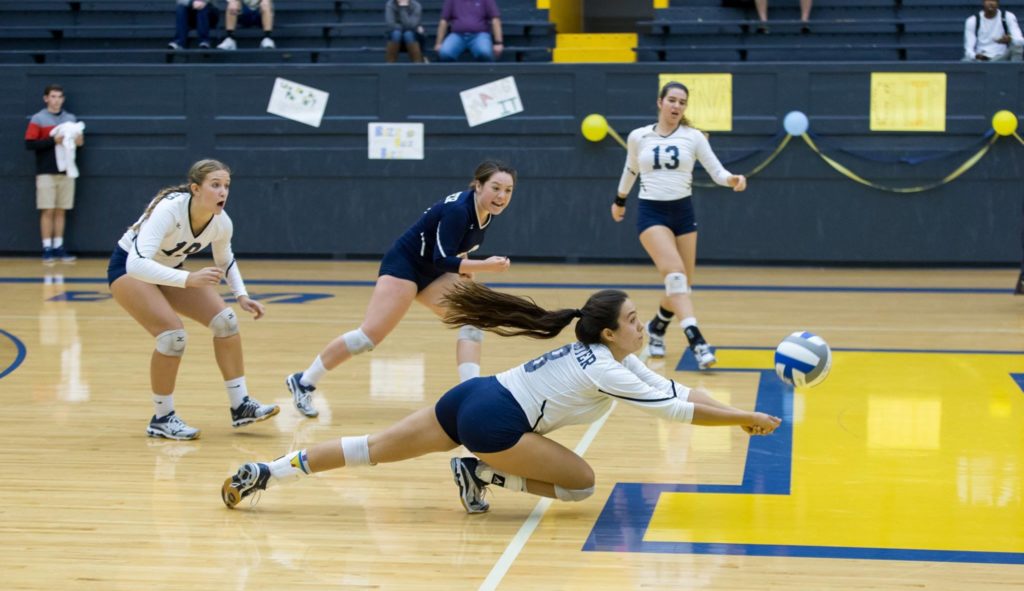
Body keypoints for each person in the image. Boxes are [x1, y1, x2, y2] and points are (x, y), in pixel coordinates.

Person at [221, 283, 782, 513]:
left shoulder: (612, 356)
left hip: (474, 394)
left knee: (370, 448)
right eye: (634, 320)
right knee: (580, 485)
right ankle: (481, 472)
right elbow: (680, 411)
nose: (641, 326)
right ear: (611, 332)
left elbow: (680, 389)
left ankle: (267, 472)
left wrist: (739, 415)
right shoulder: (612, 371)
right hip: (494, 422)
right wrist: (743, 418)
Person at [281, 160, 515, 419]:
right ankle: (304, 381)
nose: (501, 196)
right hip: (405, 266)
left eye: (508, 190)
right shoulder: (459, 210)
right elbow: (441, 258)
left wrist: (465, 264)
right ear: (478, 186)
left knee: (473, 319)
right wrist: (484, 265)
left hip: (432, 271)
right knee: (367, 338)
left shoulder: (485, 211)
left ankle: (468, 396)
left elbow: (452, 244)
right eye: (495, 188)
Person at [107, 159, 279, 440]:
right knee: (172, 337)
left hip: (169, 270)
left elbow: (225, 260)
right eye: (215, 185)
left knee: (226, 322)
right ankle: (162, 418)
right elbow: (136, 265)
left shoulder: (222, 222)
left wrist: (241, 295)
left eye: (226, 186)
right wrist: (188, 278)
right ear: (195, 189)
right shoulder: (169, 209)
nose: (223, 192)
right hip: (127, 269)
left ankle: (241, 406)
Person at [612, 81, 747, 370]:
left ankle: (657, 328)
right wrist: (620, 199)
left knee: (683, 285)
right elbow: (631, 168)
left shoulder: (693, 137)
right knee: (675, 276)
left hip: (683, 213)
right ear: (660, 102)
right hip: (651, 213)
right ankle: (697, 340)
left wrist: (732, 179)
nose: (676, 106)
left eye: (682, 102)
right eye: (672, 100)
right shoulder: (639, 136)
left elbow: (716, 171)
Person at [25, 83, 83, 265]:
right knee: (48, 209)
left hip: (66, 171)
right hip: (46, 172)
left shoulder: (70, 119)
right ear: (46, 98)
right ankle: (47, 248)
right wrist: (52, 140)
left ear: (63, 99)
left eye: (59, 97)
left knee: (61, 210)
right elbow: (29, 143)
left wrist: (78, 140)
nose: (56, 100)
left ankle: (58, 246)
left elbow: (79, 143)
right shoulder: (38, 118)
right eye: (53, 96)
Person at [434, 0, 504, 62]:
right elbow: (444, 21)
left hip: (480, 35)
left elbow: (495, 20)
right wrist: (438, 43)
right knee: (445, 53)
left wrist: (498, 43)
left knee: (484, 53)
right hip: (457, 35)